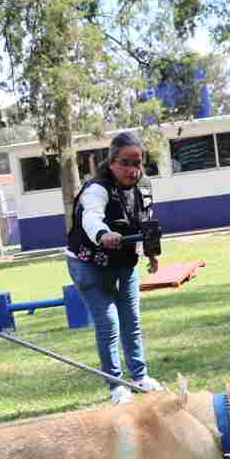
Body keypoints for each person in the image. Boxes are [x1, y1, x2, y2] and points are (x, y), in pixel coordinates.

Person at [65, 131, 165, 405]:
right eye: (125, 163)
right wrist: (102, 234)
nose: (133, 170)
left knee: (131, 321)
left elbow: (147, 221)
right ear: (111, 163)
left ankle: (140, 378)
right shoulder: (97, 189)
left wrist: (151, 252)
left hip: (124, 264)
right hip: (88, 264)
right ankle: (117, 387)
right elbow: (91, 217)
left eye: (137, 163)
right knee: (108, 324)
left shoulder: (143, 187)